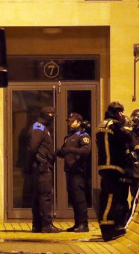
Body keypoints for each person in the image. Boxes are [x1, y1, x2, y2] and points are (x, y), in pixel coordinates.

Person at [95, 101, 134, 241]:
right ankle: (108, 231)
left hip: (104, 167)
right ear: (118, 113)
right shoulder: (115, 125)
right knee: (111, 198)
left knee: (106, 197)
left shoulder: (101, 124)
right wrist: (127, 125)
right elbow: (127, 139)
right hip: (114, 167)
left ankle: (110, 228)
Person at [26, 106, 62, 233]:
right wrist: (32, 164)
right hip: (42, 167)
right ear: (47, 115)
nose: (53, 118)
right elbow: (32, 148)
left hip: (40, 166)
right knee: (45, 196)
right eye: (52, 115)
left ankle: (37, 225)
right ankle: (47, 225)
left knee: (39, 196)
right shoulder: (39, 128)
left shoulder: (40, 127)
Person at [56, 113, 91, 232]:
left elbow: (86, 151)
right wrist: (58, 152)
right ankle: (77, 223)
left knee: (79, 198)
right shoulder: (68, 137)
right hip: (70, 170)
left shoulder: (83, 135)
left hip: (78, 171)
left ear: (79, 122)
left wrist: (69, 150)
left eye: (72, 121)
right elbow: (63, 152)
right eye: (69, 121)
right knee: (74, 198)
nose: (70, 123)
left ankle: (83, 224)